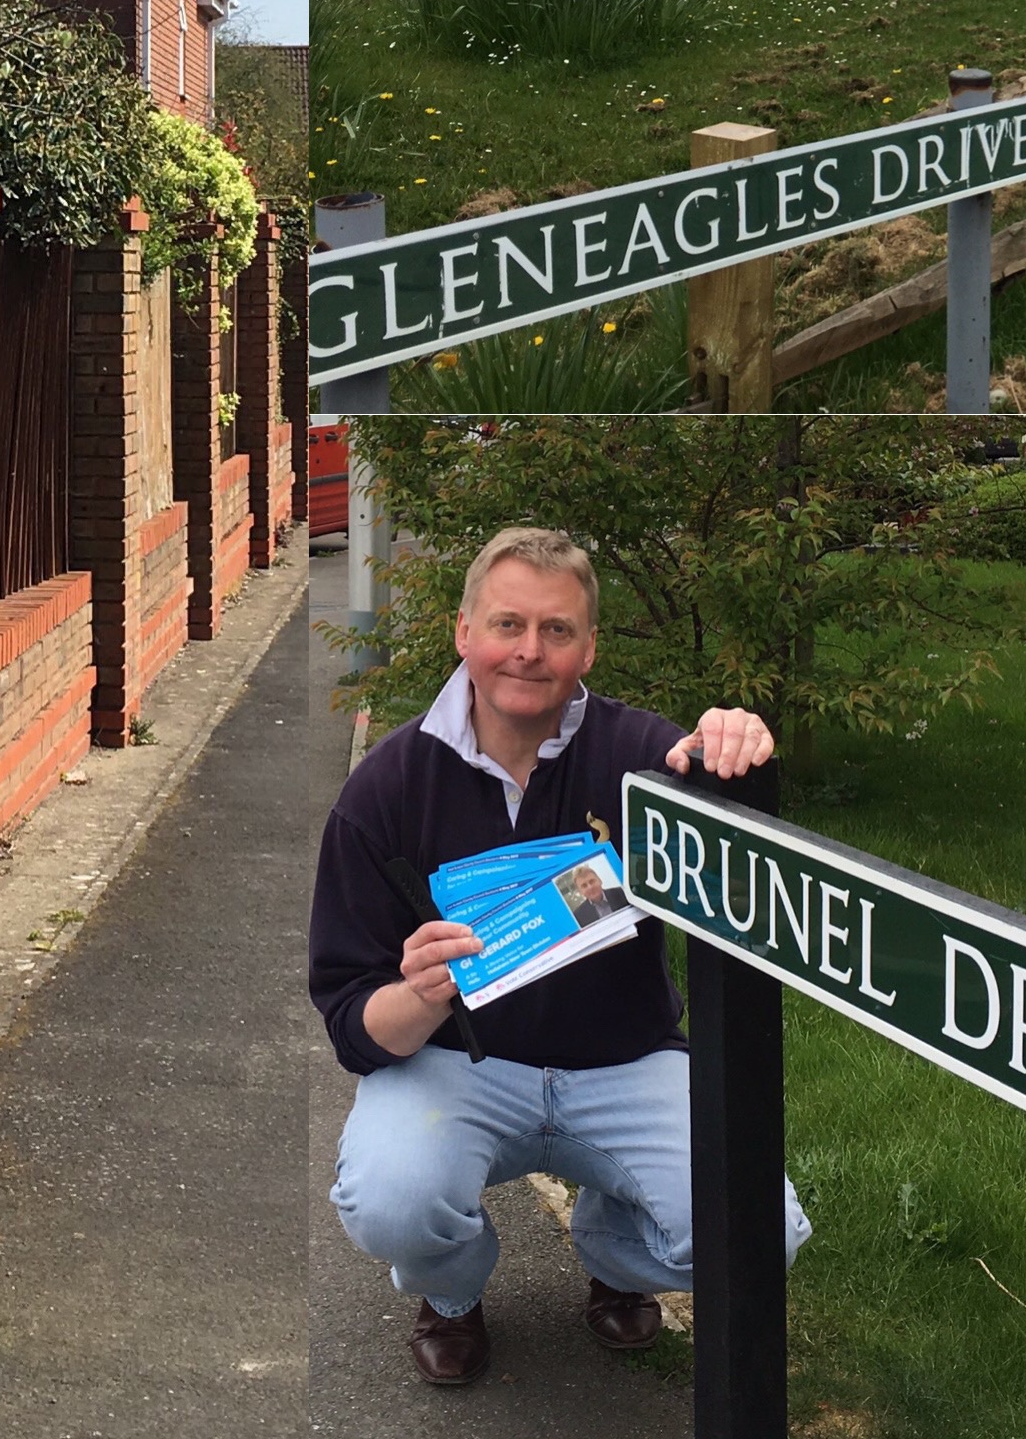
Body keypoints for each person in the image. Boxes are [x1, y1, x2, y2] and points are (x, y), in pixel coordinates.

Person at [310, 526, 811, 1387]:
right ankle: (454, 1292)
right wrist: (420, 994)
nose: (529, 653)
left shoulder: (637, 758)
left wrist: (732, 745)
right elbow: (353, 1023)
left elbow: (731, 834)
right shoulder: (386, 790)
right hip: (459, 1066)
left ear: (589, 648)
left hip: (623, 1062)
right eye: (508, 625)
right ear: (464, 634)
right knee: (391, 1200)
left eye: (557, 631)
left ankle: (612, 1251)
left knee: (765, 1233)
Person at [558, 859, 631, 928]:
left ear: (600, 880)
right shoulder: (578, 916)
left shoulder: (622, 893)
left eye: (592, 881)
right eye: (584, 886)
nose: (590, 887)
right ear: (580, 891)